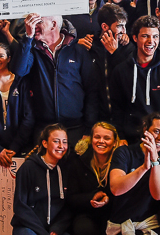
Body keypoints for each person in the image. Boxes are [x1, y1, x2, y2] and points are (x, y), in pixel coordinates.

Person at [13, 13, 98, 147]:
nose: (33, 26)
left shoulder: (78, 51)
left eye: (38, 22)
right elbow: (19, 70)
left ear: (53, 24)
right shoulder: (33, 50)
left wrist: (89, 128)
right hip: (44, 129)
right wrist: (28, 37)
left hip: (75, 128)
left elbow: (91, 91)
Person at [12, 124, 82, 235]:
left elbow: (68, 205)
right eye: (56, 141)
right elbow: (20, 207)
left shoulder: (66, 169)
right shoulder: (28, 168)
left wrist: (58, 227)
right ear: (45, 143)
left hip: (52, 229)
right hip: (28, 227)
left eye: (64, 142)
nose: (61, 146)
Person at [107, 15, 160, 147]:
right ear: (135, 38)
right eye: (145, 36)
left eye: (155, 36)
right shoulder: (121, 70)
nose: (151, 41)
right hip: (131, 138)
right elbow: (117, 109)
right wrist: (120, 136)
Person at [108, 113, 160, 235]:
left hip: (152, 225)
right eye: (156, 131)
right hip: (123, 224)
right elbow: (116, 188)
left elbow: (158, 194)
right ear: (145, 130)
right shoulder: (124, 152)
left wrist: (155, 161)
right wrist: (144, 168)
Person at [64, 122, 118, 235]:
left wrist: (107, 199)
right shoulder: (79, 161)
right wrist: (91, 197)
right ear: (91, 139)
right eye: (97, 137)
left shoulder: (120, 162)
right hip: (86, 212)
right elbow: (71, 198)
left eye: (107, 138)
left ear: (114, 142)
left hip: (113, 213)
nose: (101, 141)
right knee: (84, 230)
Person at [0, 41, 35, 167]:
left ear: (9, 59)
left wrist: (15, 146)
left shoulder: (21, 82)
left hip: (20, 147)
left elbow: (29, 117)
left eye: (1, 56)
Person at [81, 4, 132, 124]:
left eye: (124, 26)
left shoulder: (128, 48)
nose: (124, 31)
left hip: (122, 117)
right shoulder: (89, 46)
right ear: (104, 26)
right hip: (95, 116)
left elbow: (128, 78)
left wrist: (115, 53)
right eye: (119, 26)